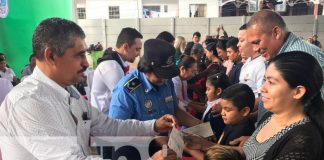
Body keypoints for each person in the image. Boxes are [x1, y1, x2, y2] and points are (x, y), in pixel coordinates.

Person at [0, 18, 177, 160]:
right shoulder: (29, 102)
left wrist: (153, 125)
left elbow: (109, 125)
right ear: (51, 55)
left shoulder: (68, 91)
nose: (86, 63)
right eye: (79, 55)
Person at [243, 51, 324, 159]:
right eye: (264, 80)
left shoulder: (302, 142)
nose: (262, 88)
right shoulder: (269, 117)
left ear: (298, 92)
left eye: (271, 82)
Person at [109, 39, 201, 127]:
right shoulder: (126, 91)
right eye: (160, 75)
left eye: (167, 75)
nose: (165, 80)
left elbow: (175, 110)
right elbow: (116, 129)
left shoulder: (167, 81)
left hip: (168, 140)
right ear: (147, 68)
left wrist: (200, 126)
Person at [91, 27, 143, 114]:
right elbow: (127, 96)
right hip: (103, 121)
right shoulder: (112, 67)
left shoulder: (118, 62)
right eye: (137, 49)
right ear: (126, 47)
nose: (138, 54)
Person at [237, 24, 265, 98]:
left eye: (241, 40)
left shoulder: (262, 65)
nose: (238, 45)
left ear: (256, 44)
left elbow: (261, 98)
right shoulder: (248, 61)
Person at [203, 73, 231, 140]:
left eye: (208, 89)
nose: (206, 92)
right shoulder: (215, 104)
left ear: (218, 91)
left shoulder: (216, 110)